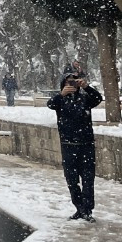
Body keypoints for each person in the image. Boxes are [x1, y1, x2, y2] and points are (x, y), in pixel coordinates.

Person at [47, 72, 103, 221]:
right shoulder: (60, 100)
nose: (71, 85)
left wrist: (87, 87)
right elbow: (50, 104)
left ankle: (87, 210)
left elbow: (98, 98)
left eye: (74, 82)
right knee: (71, 180)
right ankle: (79, 208)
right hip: (68, 145)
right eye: (68, 82)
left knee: (88, 179)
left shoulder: (85, 99)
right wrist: (61, 94)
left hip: (86, 145)